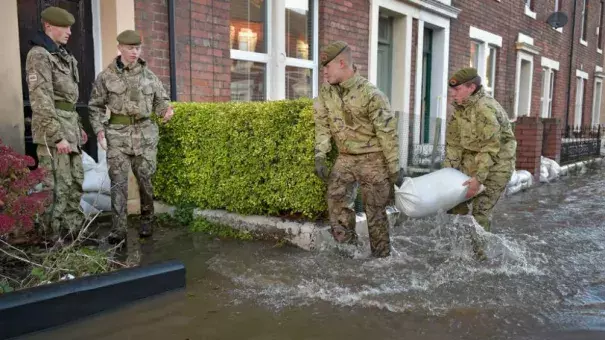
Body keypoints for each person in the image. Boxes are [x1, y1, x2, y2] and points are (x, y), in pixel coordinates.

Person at [313, 41, 403, 258]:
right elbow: (322, 123)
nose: (324, 72)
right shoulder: (327, 92)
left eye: (328, 67)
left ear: (342, 63)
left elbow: (387, 133)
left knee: (375, 212)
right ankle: (348, 250)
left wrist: (394, 167)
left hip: (373, 159)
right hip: (345, 157)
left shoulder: (372, 94)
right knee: (335, 201)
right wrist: (320, 154)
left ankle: (381, 259)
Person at [88, 30, 174, 243]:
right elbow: (95, 107)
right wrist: (99, 131)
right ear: (120, 48)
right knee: (118, 182)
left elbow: (161, 100)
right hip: (117, 135)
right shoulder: (106, 77)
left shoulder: (149, 76)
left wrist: (166, 110)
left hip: (145, 134)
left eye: (138, 48)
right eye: (130, 48)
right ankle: (119, 229)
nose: (135, 52)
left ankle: (147, 219)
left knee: (145, 179)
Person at [26, 6, 87, 239]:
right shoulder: (39, 55)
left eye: (70, 27)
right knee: (56, 187)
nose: (69, 31)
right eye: (64, 27)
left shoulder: (64, 56)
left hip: (69, 126)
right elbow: (41, 100)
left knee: (74, 182)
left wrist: (78, 129)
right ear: (48, 26)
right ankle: (51, 239)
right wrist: (56, 135)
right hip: (54, 132)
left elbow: (68, 102)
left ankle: (72, 234)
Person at [443, 67, 516, 255]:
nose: (453, 94)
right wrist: (446, 174)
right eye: (452, 90)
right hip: (472, 160)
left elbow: (490, 148)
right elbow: (453, 146)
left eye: (457, 90)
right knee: (455, 206)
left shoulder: (485, 109)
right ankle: (458, 252)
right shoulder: (459, 110)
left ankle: (479, 257)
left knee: (480, 213)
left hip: (497, 165)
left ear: (471, 87)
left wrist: (478, 179)